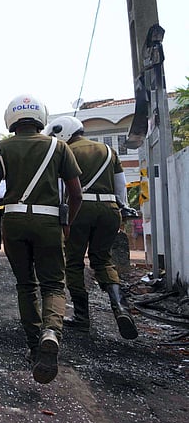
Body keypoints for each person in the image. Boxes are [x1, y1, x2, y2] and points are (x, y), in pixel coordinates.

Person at [0, 94, 82, 384]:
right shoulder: (59, 147)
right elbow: (76, 193)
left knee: (26, 285)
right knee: (54, 285)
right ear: (41, 118)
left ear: (11, 119)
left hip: (14, 221)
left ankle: (35, 347)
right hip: (49, 222)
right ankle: (51, 332)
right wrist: (68, 224)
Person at [43, 116, 138, 339]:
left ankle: (82, 318)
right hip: (109, 209)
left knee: (74, 261)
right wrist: (121, 210)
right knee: (103, 259)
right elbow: (120, 185)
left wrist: (61, 217)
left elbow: (60, 189)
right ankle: (121, 308)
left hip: (80, 209)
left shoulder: (64, 152)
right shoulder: (108, 150)